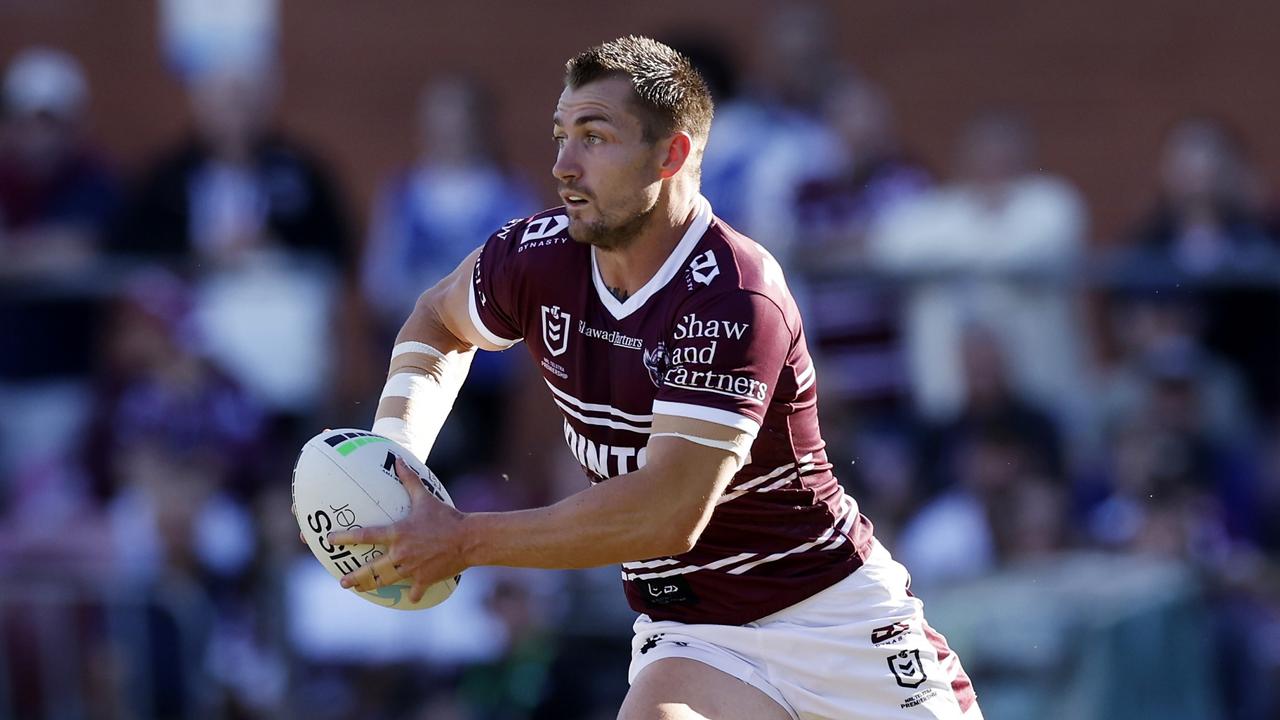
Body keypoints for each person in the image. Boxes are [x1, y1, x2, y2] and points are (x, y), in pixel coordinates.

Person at [321, 37, 980, 719]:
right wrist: (392, 452)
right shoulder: (537, 254)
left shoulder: (733, 295)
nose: (563, 167)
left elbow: (667, 513)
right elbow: (437, 320)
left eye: (594, 138)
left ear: (672, 155)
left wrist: (461, 539)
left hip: (829, 620)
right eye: (560, 135)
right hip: (695, 635)